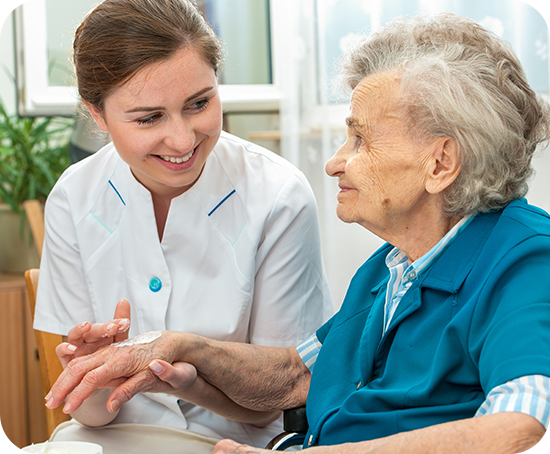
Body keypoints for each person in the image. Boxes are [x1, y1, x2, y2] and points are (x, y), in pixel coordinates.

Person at [45, 12, 550, 453]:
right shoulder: (392, 267)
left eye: (360, 139)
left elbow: (524, 434)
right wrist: (176, 348)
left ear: (440, 163)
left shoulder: (525, 264)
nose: (334, 163)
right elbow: (296, 375)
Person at [33, 0, 333, 450]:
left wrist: (185, 376)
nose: (182, 139)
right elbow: (91, 415)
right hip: (106, 439)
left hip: (232, 442)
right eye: (149, 117)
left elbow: (280, 398)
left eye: (199, 104)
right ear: (97, 115)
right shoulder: (74, 198)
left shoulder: (277, 196)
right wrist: (93, 376)